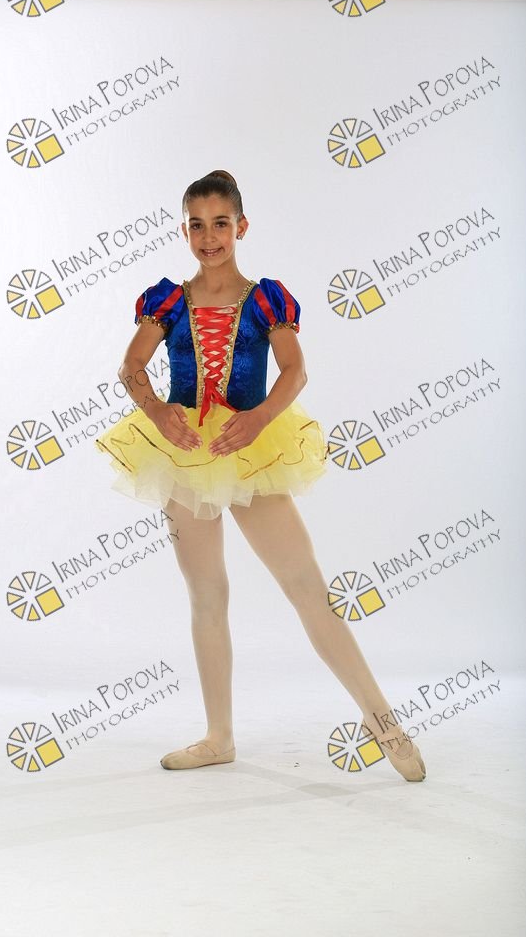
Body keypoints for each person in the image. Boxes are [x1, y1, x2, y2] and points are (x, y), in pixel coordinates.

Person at [95, 170, 426, 782]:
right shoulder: (168, 301)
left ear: (241, 227)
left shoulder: (265, 298)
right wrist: (158, 411)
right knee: (207, 593)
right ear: (185, 231)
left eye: (220, 223)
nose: (209, 237)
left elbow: (295, 370)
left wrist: (258, 419)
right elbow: (131, 367)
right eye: (198, 225)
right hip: (186, 454)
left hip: (253, 449)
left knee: (307, 587)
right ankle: (218, 737)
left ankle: (382, 720)